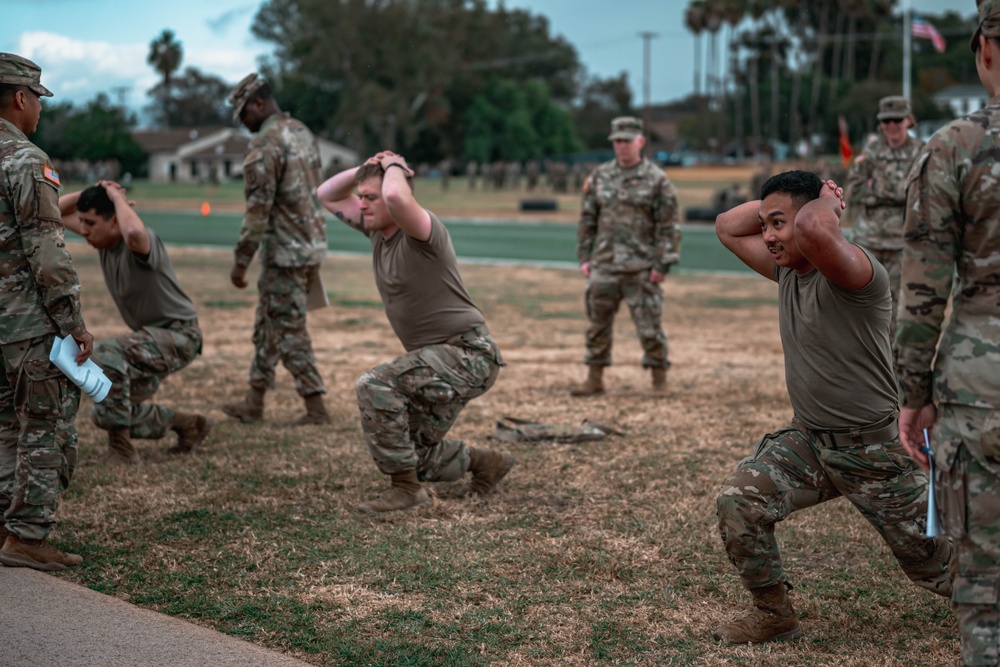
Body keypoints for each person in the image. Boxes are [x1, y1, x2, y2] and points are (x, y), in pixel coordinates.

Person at [712, 170, 953, 644]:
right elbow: (725, 224)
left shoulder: (856, 273)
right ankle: (775, 616)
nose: (768, 236)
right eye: (765, 225)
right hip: (811, 444)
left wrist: (825, 202)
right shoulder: (785, 270)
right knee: (738, 503)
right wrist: (779, 208)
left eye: (778, 225)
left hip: (875, 453)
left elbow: (817, 231)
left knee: (939, 570)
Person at [316, 150, 514, 513]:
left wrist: (394, 164)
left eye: (370, 198)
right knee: (412, 451)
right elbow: (326, 194)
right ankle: (487, 462)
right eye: (360, 197)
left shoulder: (423, 232)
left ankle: (408, 492)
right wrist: (368, 166)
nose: (362, 205)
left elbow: (394, 195)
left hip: (468, 354)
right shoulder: (377, 232)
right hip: (440, 360)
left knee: (375, 384)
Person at [896, 2, 1000, 662]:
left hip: (979, 381)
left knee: (985, 584)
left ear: (984, 48)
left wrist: (913, 393)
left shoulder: (954, 148)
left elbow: (924, 289)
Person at [0, 53, 94, 570]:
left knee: (3, 426)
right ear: (20, 98)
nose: (39, 108)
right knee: (44, 425)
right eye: (37, 98)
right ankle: (28, 535)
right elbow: (46, 252)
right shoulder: (26, 160)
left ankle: (4, 526)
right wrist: (72, 321)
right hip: (25, 323)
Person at [58, 182, 210, 465]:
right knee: (107, 408)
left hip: (180, 336)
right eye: (82, 223)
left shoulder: (137, 241)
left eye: (90, 223)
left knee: (103, 354)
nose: (84, 230)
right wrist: (91, 192)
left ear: (114, 220)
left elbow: (135, 231)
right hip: (152, 337)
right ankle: (190, 425)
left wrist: (116, 197)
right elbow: (53, 213)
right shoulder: (103, 238)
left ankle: (121, 451)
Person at [222, 72, 330, 425]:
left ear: (258, 103)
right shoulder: (302, 132)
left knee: (288, 329)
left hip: (285, 252)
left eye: (243, 115)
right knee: (268, 324)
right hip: (310, 245)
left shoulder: (266, 144)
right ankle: (254, 402)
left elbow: (258, 211)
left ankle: (316, 407)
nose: (243, 123)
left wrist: (241, 262)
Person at [571, 116, 681, 396]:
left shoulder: (657, 180)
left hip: (641, 267)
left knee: (649, 327)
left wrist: (661, 264)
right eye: (617, 141)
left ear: (640, 142)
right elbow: (587, 219)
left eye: (627, 141)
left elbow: (669, 226)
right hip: (604, 265)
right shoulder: (600, 176)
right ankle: (594, 377)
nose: (621, 146)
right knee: (597, 325)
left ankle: (659, 380)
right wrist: (585, 257)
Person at [845, 95, 923, 361]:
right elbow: (853, 191)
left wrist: (878, 190)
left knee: (899, 308)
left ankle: (891, 366)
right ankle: (864, 362)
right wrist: (897, 193)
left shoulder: (922, 152)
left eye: (897, 120)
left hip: (903, 243)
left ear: (909, 121)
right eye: (886, 121)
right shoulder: (871, 152)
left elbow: (924, 194)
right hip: (869, 242)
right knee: (863, 304)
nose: (891, 125)